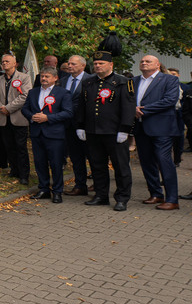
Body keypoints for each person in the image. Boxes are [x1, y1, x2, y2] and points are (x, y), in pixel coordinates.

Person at [74, 50, 135, 211]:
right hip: (93, 132)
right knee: (97, 166)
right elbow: (82, 105)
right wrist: (80, 125)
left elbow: (128, 108)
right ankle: (101, 196)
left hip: (114, 133)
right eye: (95, 64)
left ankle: (122, 198)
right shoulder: (89, 82)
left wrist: (125, 129)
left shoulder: (123, 82)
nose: (98, 66)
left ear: (111, 65)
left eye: (101, 63)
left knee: (121, 167)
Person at [132, 55, 181, 210]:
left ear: (158, 65)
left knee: (164, 161)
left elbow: (170, 100)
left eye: (148, 61)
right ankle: (156, 194)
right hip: (140, 128)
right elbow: (127, 99)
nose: (144, 63)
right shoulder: (133, 81)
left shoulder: (169, 80)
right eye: (142, 61)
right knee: (146, 162)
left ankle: (172, 199)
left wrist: (143, 110)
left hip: (161, 128)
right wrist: (132, 109)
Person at [22, 66, 74, 202]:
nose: (43, 79)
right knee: (39, 163)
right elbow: (25, 109)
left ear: (55, 78)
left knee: (56, 164)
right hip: (37, 133)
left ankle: (57, 191)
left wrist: (48, 118)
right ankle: (43, 189)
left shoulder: (63, 93)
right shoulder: (33, 92)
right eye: (42, 76)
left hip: (54, 134)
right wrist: (32, 116)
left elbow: (68, 112)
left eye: (47, 76)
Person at [0, 52, 30, 185]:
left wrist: (9, 108)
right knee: (9, 146)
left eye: (7, 61)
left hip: (18, 118)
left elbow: (25, 96)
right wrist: (1, 107)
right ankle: (14, 170)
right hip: (3, 118)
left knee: (20, 147)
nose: (4, 63)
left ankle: (24, 175)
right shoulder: (0, 79)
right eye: (3, 61)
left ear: (15, 63)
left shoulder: (24, 77)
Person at [59, 55, 94, 196]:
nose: (69, 66)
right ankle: (80, 185)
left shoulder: (92, 80)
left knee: (92, 156)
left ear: (82, 66)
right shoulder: (62, 81)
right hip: (68, 126)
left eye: (73, 64)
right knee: (76, 157)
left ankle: (99, 184)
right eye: (68, 63)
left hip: (87, 126)